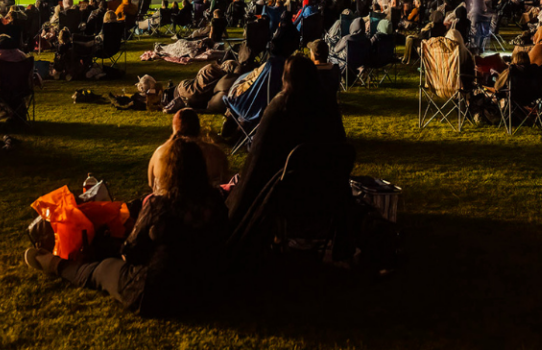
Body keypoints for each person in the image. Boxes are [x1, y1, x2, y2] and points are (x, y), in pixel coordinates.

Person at [25, 138, 229, 317]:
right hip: (204, 292)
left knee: (99, 271)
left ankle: (51, 262)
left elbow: (131, 252)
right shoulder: (216, 202)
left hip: (155, 295)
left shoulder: (159, 205)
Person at [227, 56, 346, 224]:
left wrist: (235, 207)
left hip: (286, 199)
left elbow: (257, 162)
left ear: (286, 78)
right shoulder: (329, 108)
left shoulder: (280, 109)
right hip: (328, 196)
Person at [149, 108, 230, 192]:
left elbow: (151, 184)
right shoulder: (216, 153)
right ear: (198, 127)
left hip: (168, 203)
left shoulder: (159, 153)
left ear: (174, 129)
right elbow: (224, 182)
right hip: (205, 203)